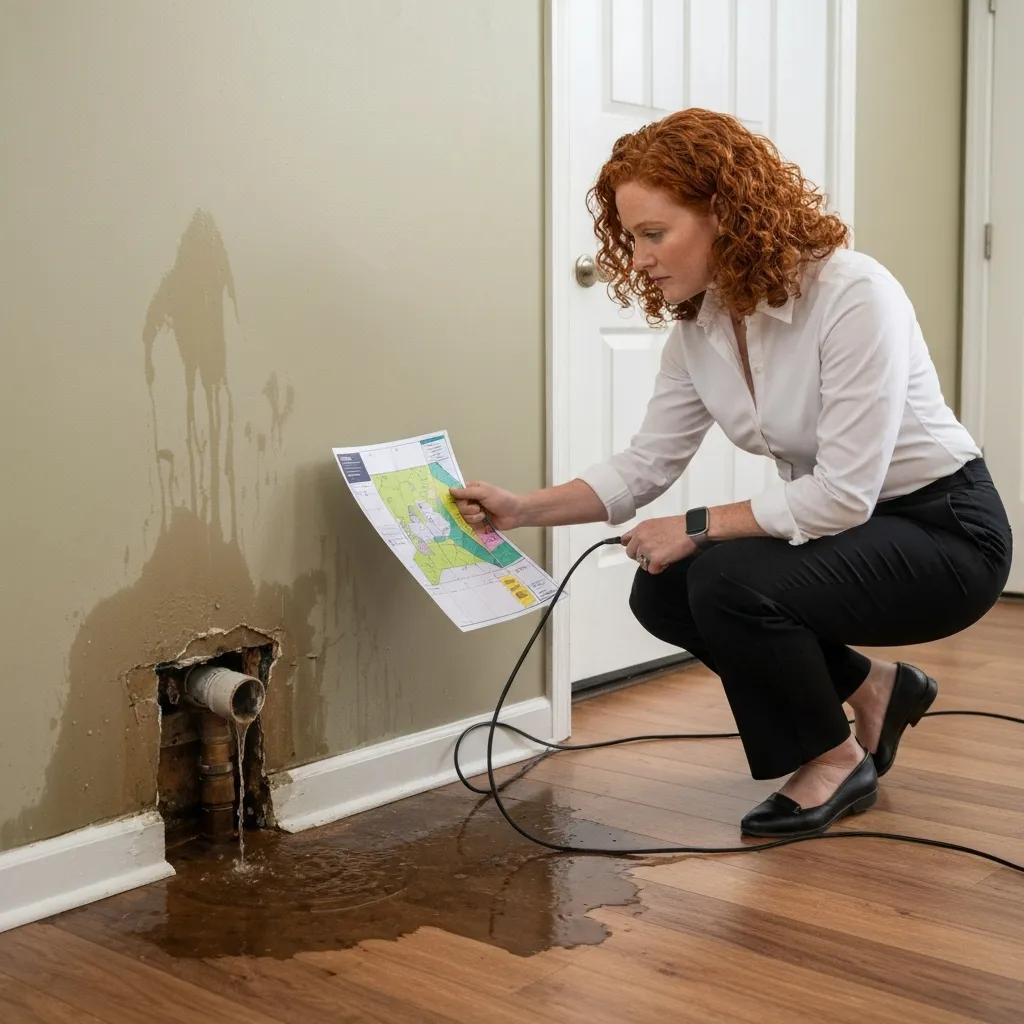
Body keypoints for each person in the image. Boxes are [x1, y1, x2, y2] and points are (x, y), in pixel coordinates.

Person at [450, 108, 1012, 838]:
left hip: (947, 533)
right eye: (630, 239)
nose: (640, 257)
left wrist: (697, 527)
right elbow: (645, 466)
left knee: (723, 574)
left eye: (655, 234)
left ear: (726, 212)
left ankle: (831, 759)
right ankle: (872, 689)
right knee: (665, 592)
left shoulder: (852, 295)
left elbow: (843, 493)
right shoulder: (702, 328)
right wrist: (523, 508)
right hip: (857, 528)